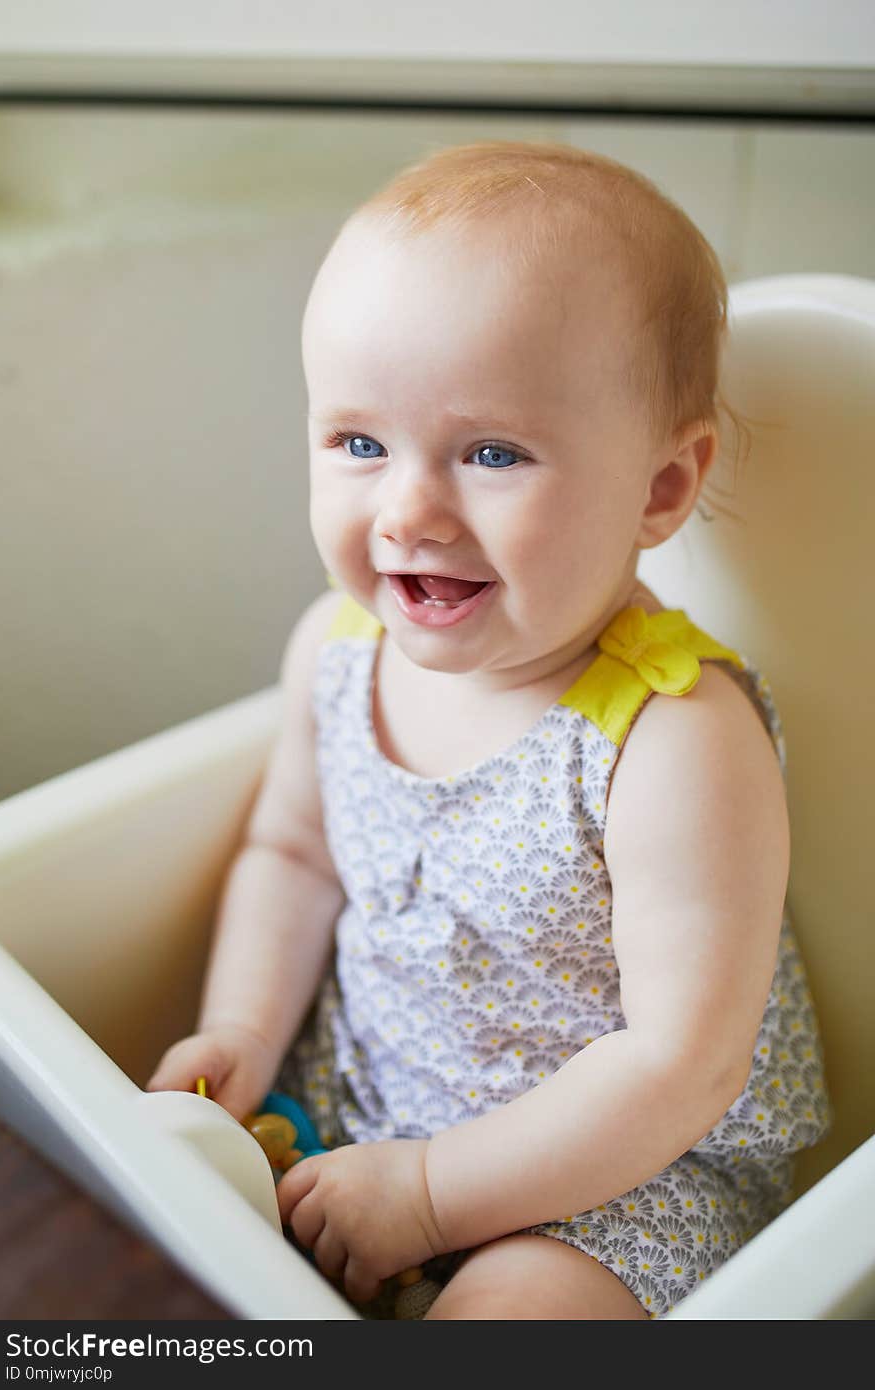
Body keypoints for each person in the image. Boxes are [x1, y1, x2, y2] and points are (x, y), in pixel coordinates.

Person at [147, 141, 830, 1319]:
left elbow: (683, 1066)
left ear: (661, 490)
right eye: (360, 443)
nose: (408, 508)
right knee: (142, 1227)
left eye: (491, 453)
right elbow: (296, 857)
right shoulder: (338, 649)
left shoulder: (673, 740)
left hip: (611, 1181)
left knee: (521, 1312)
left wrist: (428, 1193)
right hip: (359, 1102)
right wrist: (242, 1029)